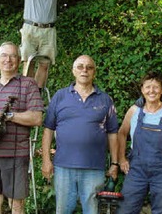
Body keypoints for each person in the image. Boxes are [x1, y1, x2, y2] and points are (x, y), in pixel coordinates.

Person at [41, 55, 120, 214]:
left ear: (94, 72)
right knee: (63, 211)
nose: (85, 70)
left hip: (94, 167)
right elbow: (48, 130)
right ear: (73, 71)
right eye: (80, 66)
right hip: (63, 166)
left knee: (92, 211)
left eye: (89, 67)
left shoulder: (105, 99)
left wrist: (114, 163)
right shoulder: (60, 96)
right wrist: (46, 161)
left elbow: (112, 134)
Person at [0, 42, 44, 214]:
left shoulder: (28, 84)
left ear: (19, 60)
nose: (8, 60)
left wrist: (8, 116)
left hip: (15, 155)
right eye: (4, 55)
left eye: (12, 56)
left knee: (16, 204)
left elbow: (37, 117)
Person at [117, 71, 162, 214]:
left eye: (156, 87)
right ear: (142, 90)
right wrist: (121, 159)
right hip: (137, 168)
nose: (152, 91)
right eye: (148, 87)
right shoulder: (134, 110)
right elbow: (122, 133)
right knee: (126, 208)